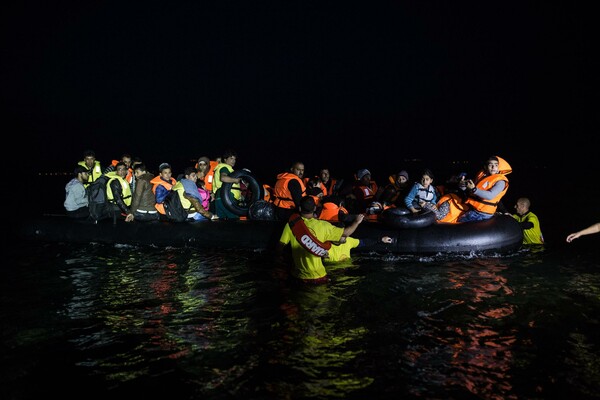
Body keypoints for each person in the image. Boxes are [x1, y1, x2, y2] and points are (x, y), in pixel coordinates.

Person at [276, 196, 365, 284]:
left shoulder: (291, 225)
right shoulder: (323, 226)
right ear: (315, 208)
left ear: (299, 208)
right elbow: (345, 233)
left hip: (298, 276)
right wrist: (356, 222)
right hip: (319, 276)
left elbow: (280, 247)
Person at [436, 155, 512, 224]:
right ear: (486, 167)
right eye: (490, 165)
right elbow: (469, 190)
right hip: (473, 207)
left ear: (499, 167)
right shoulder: (483, 176)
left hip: (482, 213)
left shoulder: (501, 181)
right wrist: (462, 185)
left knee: (458, 223)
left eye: (496, 165)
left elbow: (490, 196)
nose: (493, 167)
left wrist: (474, 189)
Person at [212, 149, 243, 220]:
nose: (233, 161)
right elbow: (223, 178)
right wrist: (235, 180)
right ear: (225, 159)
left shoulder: (220, 168)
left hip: (219, 197)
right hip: (227, 197)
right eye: (231, 158)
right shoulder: (224, 168)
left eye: (235, 159)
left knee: (222, 222)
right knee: (234, 219)